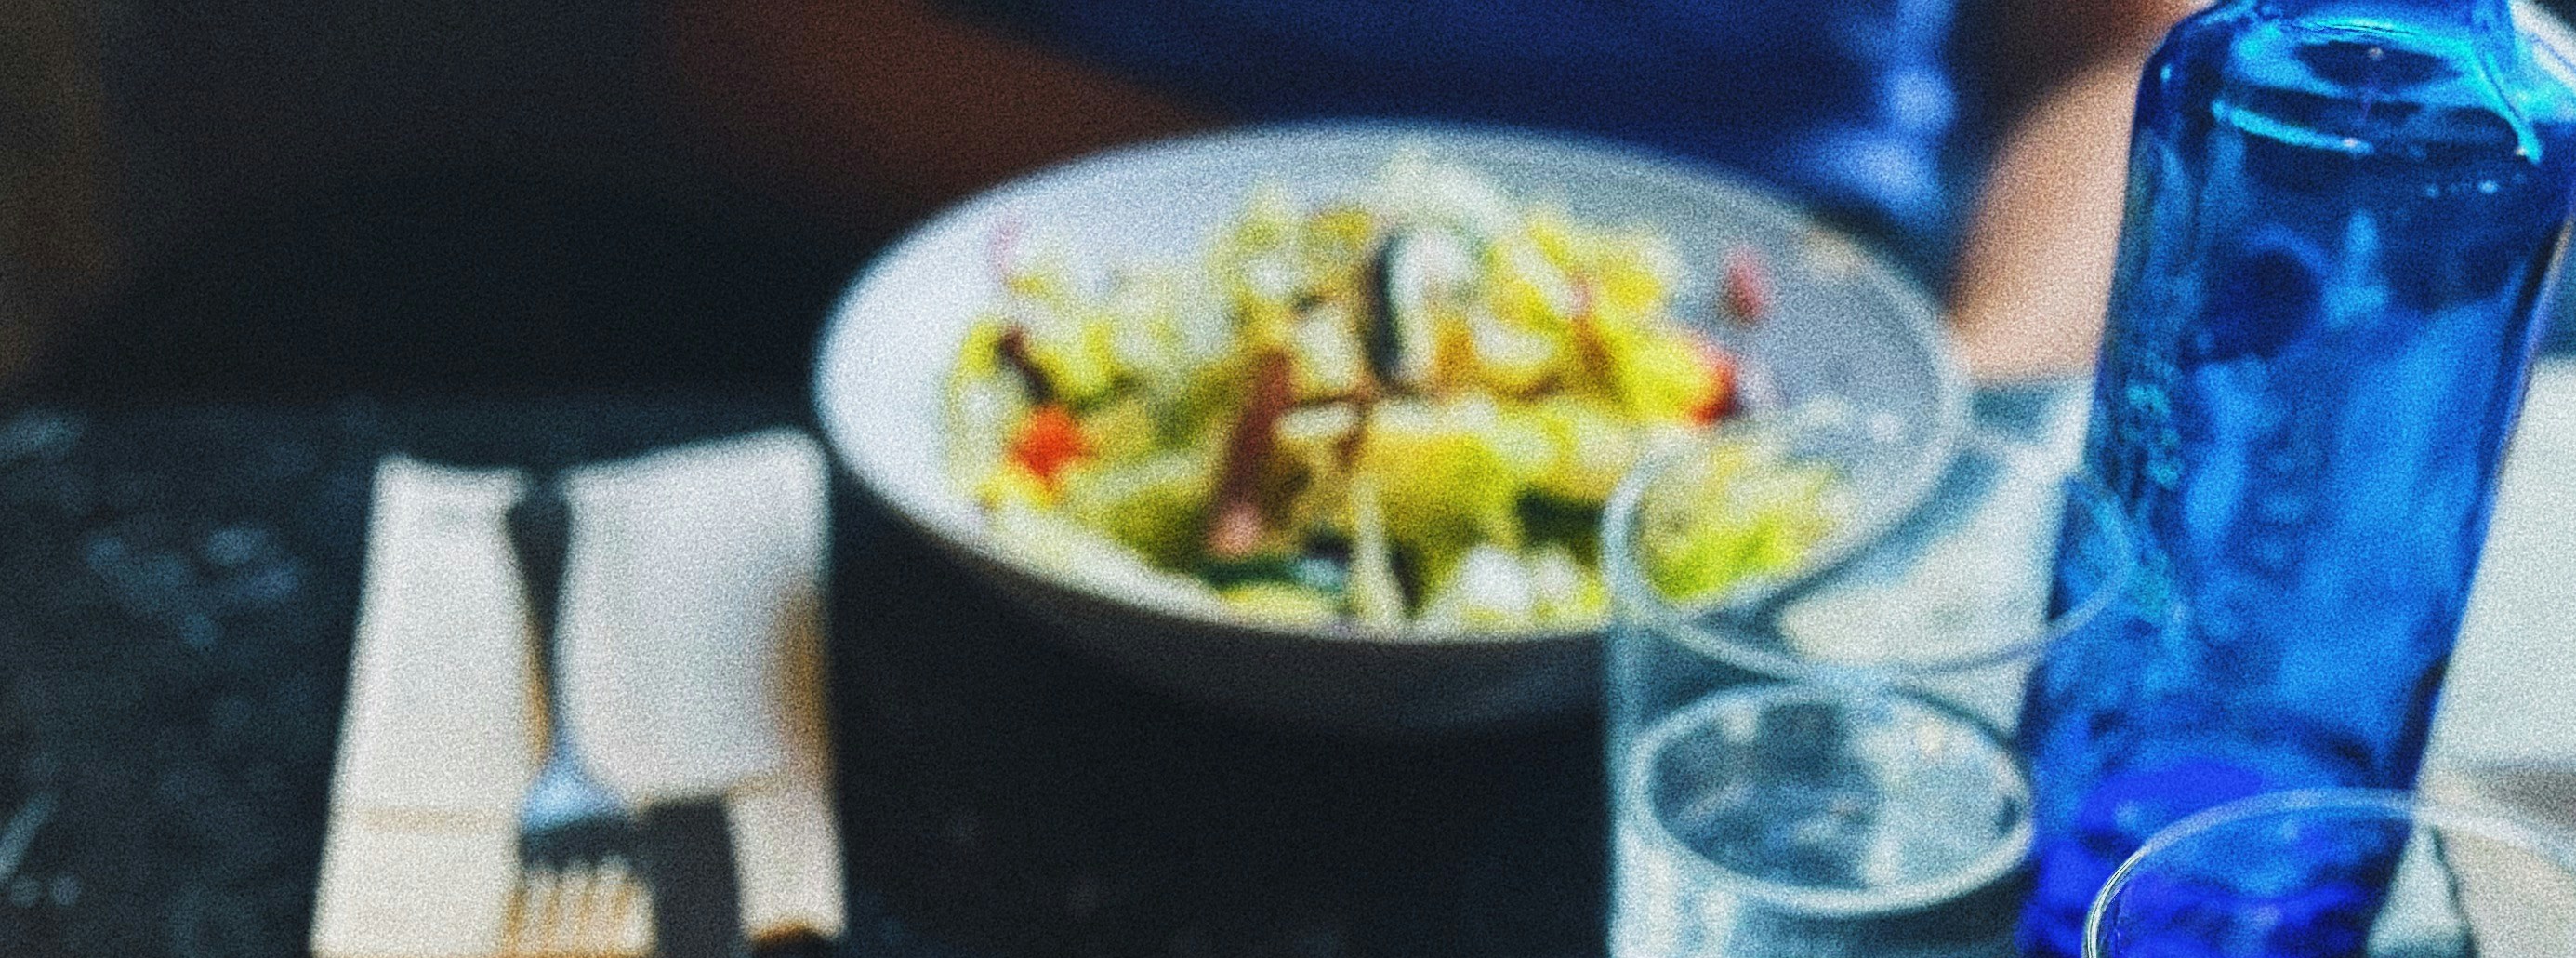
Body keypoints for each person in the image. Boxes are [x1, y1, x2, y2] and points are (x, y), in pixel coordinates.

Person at [648, 0, 2197, 380]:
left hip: (1816, 357)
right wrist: (1259, 278)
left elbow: (2128, 42)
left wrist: (1968, 399)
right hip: (1048, 303)